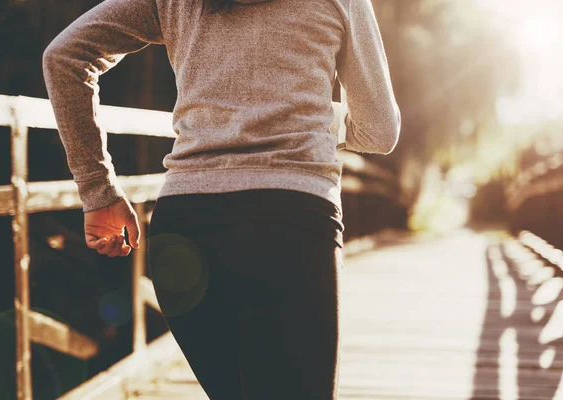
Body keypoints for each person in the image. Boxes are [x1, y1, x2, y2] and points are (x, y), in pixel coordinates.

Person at [42, 0, 400, 398]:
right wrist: (309, 115)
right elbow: (379, 131)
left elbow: (65, 56)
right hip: (291, 226)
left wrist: (98, 190)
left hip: (185, 232)